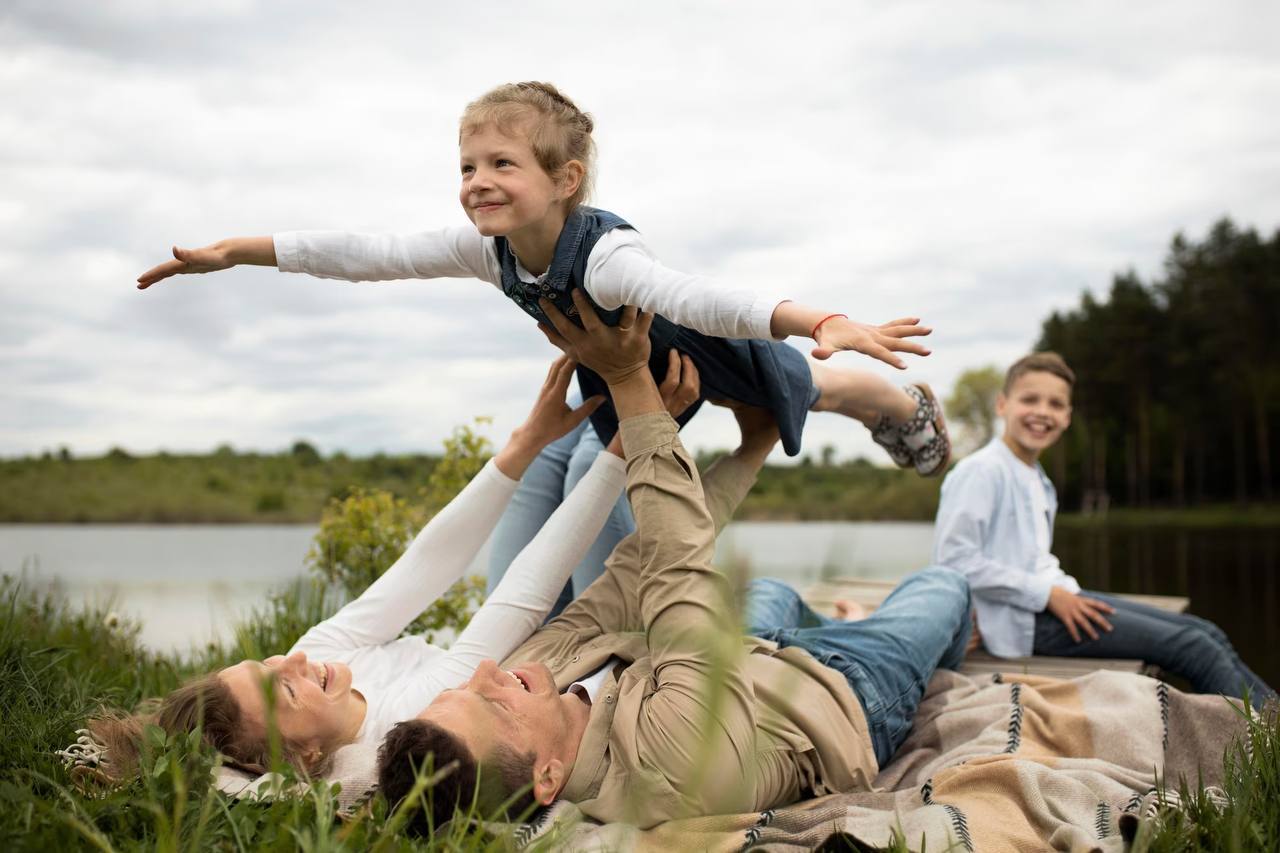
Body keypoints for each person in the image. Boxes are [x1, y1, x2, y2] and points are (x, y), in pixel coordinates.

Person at [135, 80, 951, 603]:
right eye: (466, 166)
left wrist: (820, 323)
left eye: (502, 163)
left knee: (803, 386)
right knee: (593, 511)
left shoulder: (606, 252)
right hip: (619, 391)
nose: (477, 181)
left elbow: (698, 297)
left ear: (564, 181)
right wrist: (238, 252)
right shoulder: (484, 250)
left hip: (714, 352)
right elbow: (369, 254)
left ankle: (894, 399)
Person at [376, 292, 972, 833]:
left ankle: (835, 608)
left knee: (765, 589)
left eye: (462, 689)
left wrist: (754, 446)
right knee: (944, 588)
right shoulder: (667, 766)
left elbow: (635, 571)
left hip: (746, 647)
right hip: (844, 688)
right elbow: (675, 567)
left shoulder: (539, 675)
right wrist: (631, 380)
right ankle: (857, 624)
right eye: (493, 704)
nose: (483, 673)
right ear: (549, 777)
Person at [85, 353, 698, 783]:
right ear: (301, 755)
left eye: (270, 664)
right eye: (286, 687)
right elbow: (514, 605)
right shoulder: (406, 726)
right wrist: (626, 448)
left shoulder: (318, 654)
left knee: (546, 457)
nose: (294, 660)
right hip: (544, 648)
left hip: (521, 633)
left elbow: (424, 568)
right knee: (595, 449)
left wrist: (523, 439)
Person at [933, 352, 1275, 709]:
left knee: (1205, 631)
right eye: (1029, 399)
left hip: (1054, 600)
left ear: (1066, 417)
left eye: (1056, 404)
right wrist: (1047, 595)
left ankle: (1272, 723)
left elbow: (1032, 560)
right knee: (1194, 648)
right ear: (1003, 404)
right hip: (1019, 621)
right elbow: (954, 560)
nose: (1042, 412)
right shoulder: (981, 471)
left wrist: (1059, 592)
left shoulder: (1035, 476)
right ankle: (1267, 746)